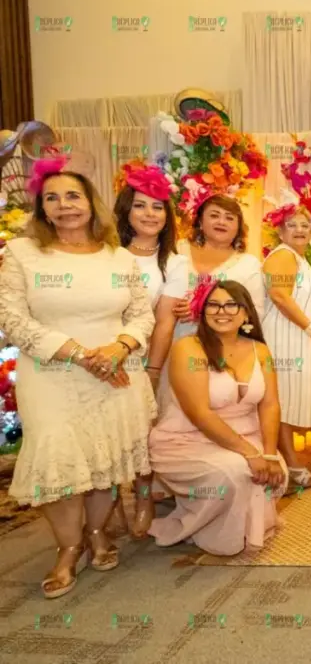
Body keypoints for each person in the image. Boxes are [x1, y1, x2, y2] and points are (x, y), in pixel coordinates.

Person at [0, 156, 155, 598]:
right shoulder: (22, 253)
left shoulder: (118, 257)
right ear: (42, 208)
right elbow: (12, 318)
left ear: (91, 203)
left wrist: (120, 347)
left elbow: (141, 314)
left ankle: (96, 533)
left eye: (73, 196)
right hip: (52, 373)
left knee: (102, 460)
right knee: (59, 457)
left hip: (116, 372)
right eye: (52, 198)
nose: (64, 205)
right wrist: (82, 355)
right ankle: (68, 547)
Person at [148, 279, 286, 556]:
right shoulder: (189, 348)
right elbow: (199, 413)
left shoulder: (260, 350)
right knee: (233, 473)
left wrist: (269, 454)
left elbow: (270, 404)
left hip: (245, 435)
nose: (221, 311)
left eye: (231, 305)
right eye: (213, 305)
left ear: (246, 313)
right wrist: (250, 453)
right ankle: (214, 534)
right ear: (203, 311)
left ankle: (242, 526)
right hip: (187, 437)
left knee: (275, 472)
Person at [107, 163, 183, 539]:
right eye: (140, 205)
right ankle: (110, 503)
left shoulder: (174, 262)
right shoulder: (107, 254)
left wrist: (152, 371)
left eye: (157, 207)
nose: (149, 214)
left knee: (145, 432)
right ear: (126, 211)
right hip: (104, 356)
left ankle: (144, 498)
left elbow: (165, 321)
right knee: (108, 432)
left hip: (151, 357)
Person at [147, 195, 265, 404]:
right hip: (168, 343)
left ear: (238, 227)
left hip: (220, 351)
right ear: (200, 221)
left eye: (229, 218)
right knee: (169, 405)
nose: (221, 221)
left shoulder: (248, 264)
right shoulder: (177, 250)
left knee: (209, 406)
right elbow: (152, 290)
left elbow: (255, 312)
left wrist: (201, 311)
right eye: (214, 215)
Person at [261, 200, 311, 490]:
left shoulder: (300, 258)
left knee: (291, 401)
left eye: (305, 225)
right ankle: (292, 466)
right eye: (291, 225)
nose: (300, 229)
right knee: (281, 402)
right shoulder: (283, 255)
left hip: (301, 339)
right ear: (280, 232)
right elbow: (279, 295)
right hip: (285, 339)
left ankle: (287, 461)